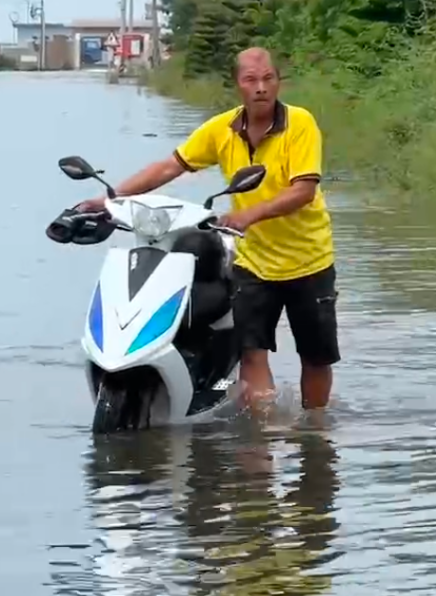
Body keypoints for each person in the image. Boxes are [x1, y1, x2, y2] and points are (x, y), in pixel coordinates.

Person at [75, 47, 340, 415]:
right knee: (251, 354)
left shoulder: (300, 124)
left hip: (309, 260)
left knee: (315, 358)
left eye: (268, 78)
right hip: (253, 261)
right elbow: (170, 166)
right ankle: (265, 437)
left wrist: (249, 216)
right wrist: (110, 199)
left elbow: (303, 190)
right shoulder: (221, 129)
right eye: (251, 80)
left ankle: (315, 431)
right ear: (238, 85)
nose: (261, 87)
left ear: (278, 81)